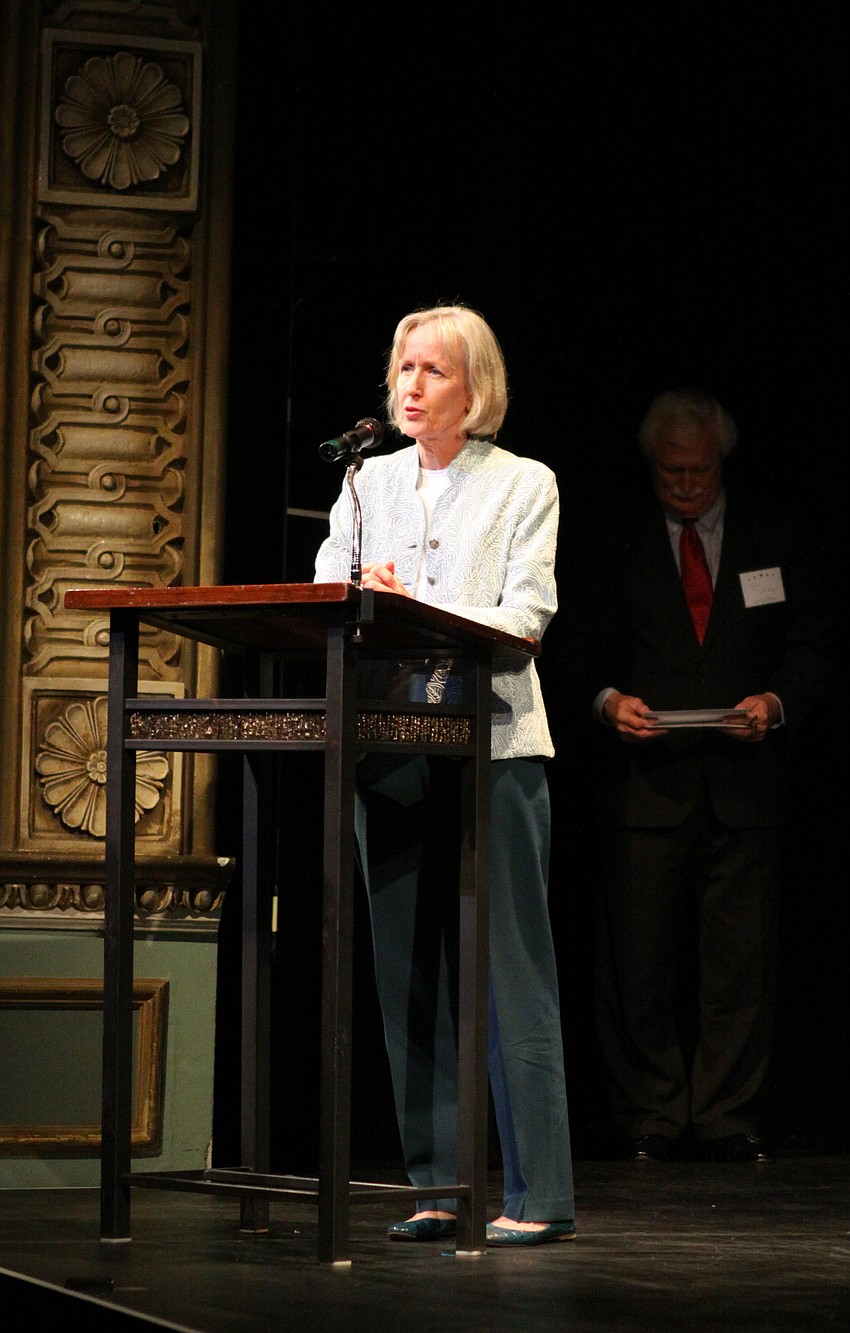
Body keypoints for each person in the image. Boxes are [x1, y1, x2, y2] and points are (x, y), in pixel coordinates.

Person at [314, 304, 575, 1245]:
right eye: (403, 369)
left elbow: (525, 617)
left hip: (495, 744)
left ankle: (539, 1191)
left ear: (477, 391)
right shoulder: (364, 481)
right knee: (408, 971)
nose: (411, 386)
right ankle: (438, 1182)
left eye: (432, 371)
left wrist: (410, 597)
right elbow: (324, 594)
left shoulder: (524, 484)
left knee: (512, 969)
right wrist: (359, 596)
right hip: (389, 743)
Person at [560, 389, 831, 1163]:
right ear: (652, 464)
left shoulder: (775, 532)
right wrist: (609, 703)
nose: (684, 486)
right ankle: (649, 1112)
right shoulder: (614, 537)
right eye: (670, 471)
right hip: (644, 784)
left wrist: (775, 703)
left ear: (723, 461)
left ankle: (726, 1114)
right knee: (638, 961)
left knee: (741, 961)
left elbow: (813, 645)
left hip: (748, 781)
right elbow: (572, 643)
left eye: (700, 471)